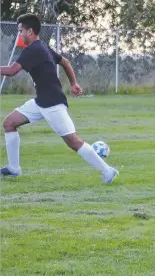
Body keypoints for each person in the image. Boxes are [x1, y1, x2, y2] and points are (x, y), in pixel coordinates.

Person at [0, 13, 118, 183]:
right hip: (41, 101)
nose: (19, 35)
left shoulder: (34, 49)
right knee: (9, 123)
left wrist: (73, 83)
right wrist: (74, 84)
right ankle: (13, 168)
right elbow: (66, 62)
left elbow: (12, 71)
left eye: (20, 31)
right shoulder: (42, 47)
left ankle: (108, 171)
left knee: (73, 141)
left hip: (52, 104)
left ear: (30, 32)